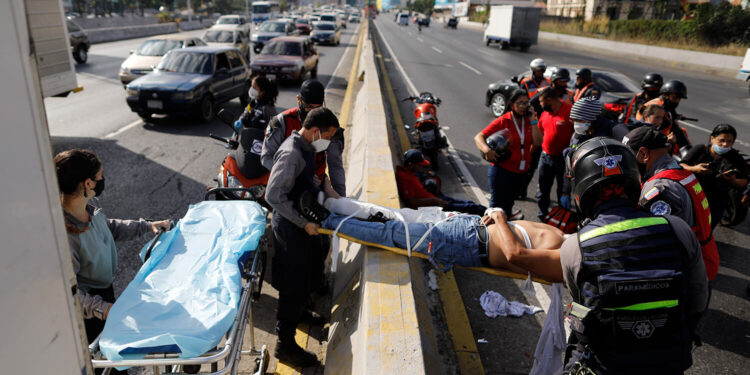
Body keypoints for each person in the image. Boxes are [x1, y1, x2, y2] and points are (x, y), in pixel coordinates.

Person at [492, 137, 709, 374]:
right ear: (634, 180)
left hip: (607, 364)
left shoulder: (576, 246)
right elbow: (698, 297)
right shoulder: (677, 228)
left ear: (581, 190)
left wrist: (499, 217)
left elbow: (582, 306)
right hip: (669, 360)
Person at [55, 149, 171, 374]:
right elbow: (70, 295)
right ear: (87, 183)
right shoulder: (65, 236)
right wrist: (105, 309)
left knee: (116, 362)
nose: (102, 181)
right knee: (105, 366)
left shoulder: (90, 205)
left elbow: (108, 227)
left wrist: (146, 226)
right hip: (89, 314)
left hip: (104, 298)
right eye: (100, 176)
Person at [265, 108, 341, 368]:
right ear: (314, 130)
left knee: (310, 272)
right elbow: (273, 196)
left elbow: (308, 180)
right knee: (293, 285)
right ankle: (284, 346)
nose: (328, 142)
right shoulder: (291, 154)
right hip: (290, 226)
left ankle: (301, 313)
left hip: (303, 222)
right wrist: (303, 222)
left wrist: (325, 187)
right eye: (327, 136)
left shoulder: (308, 148)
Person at [623, 126, 719, 281]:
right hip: (702, 255)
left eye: (629, 156)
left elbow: (650, 240)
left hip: (686, 269)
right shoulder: (679, 172)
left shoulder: (661, 188)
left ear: (644, 154)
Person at [262, 79, 346, 196]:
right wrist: (296, 175)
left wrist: (342, 201)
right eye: (309, 107)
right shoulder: (281, 123)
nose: (312, 112)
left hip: (317, 188)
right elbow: (266, 157)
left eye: (317, 108)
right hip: (288, 188)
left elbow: (335, 166)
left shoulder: (330, 127)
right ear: (299, 100)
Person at [475, 89, 542, 218]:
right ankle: (490, 233)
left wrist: (533, 120)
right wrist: (486, 150)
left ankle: (506, 231)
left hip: (520, 171)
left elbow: (538, 142)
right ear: (512, 105)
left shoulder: (530, 121)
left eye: (526, 102)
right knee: (495, 206)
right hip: (502, 170)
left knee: (509, 204)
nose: (523, 106)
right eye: (520, 103)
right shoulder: (504, 120)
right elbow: (479, 137)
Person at [680, 124, 750, 229]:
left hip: (717, 202)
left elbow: (744, 181)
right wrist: (695, 169)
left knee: (706, 229)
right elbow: (681, 165)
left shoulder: (735, 157)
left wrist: (733, 181)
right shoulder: (700, 149)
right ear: (712, 139)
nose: (725, 144)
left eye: (729, 142)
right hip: (694, 196)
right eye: (721, 140)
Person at [396, 149, 487, 216]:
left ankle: (490, 212)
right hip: (433, 206)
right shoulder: (404, 178)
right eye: (419, 165)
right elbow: (412, 202)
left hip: (435, 199)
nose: (420, 168)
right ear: (410, 164)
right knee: (472, 208)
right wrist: (435, 201)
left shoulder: (411, 173)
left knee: (470, 204)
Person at [559, 97, 612, 209]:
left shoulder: (613, 132)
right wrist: (565, 191)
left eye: (581, 120)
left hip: (607, 191)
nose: (577, 124)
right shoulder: (576, 136)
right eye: (575, 120)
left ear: (593, 119)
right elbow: (570, 165)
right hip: (582, 189)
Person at [231, 75, 279, 180]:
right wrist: (240, 120)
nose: (251, 89)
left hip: (259, 148)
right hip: (246, 145)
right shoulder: (253, 103)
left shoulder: (268, 109)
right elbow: (245, 113)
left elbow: (275, 129)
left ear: (262, 92)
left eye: (254, 87)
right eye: (251, 86)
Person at [536, 88, 573, 218]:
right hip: (545, 157)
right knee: (543, 190)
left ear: (549, 100)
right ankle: (543, 215)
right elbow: (540, 130)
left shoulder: (569, 111)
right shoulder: (545, 113)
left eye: (541, 102)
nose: (540, 105)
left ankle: (561, 218)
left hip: (562, 160)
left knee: (562, 191)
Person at [636, 80, 691, 154]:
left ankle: (687, 153)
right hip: (644, 138)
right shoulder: (657, 106)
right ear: (666, 95)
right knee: (677, 131)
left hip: (651, 134)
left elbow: (672, 115)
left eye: (679, 98)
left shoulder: (666, 104)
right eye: (675, 97)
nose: (677, 101)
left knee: (680, 130)